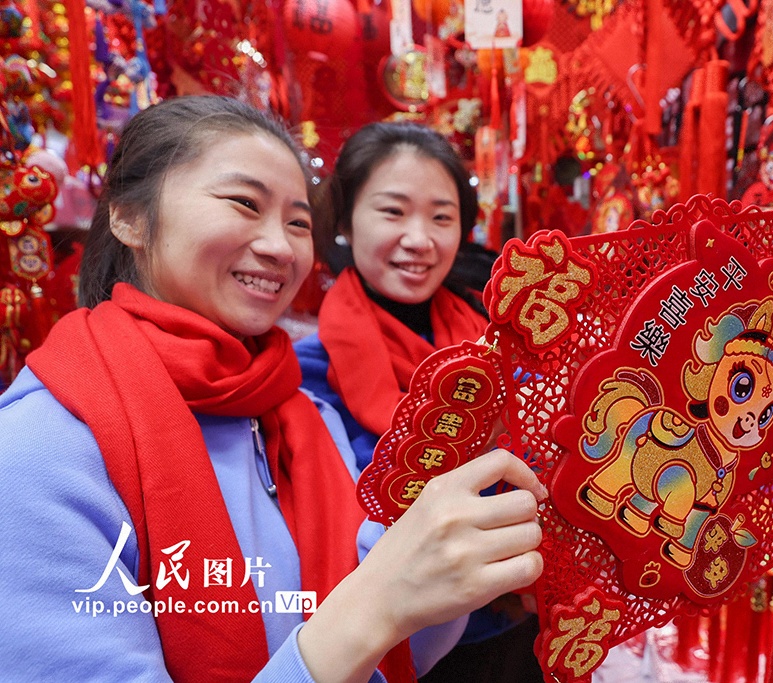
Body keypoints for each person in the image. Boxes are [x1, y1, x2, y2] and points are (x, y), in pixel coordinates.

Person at [0, 96, 546, 682]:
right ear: (130, 217)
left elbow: (400, 648)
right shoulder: (39, 448)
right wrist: (376, 606)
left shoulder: (299, 414)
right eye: (244, 203)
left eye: (297, 223)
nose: (281, 247)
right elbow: (373, 612)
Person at [295, 122, 545, 682]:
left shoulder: (499, 342)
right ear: (346, 221)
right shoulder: (306, 378)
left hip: (518, 628)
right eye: (393, 212)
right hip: (391, 653)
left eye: (441, 217)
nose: (419, 239)